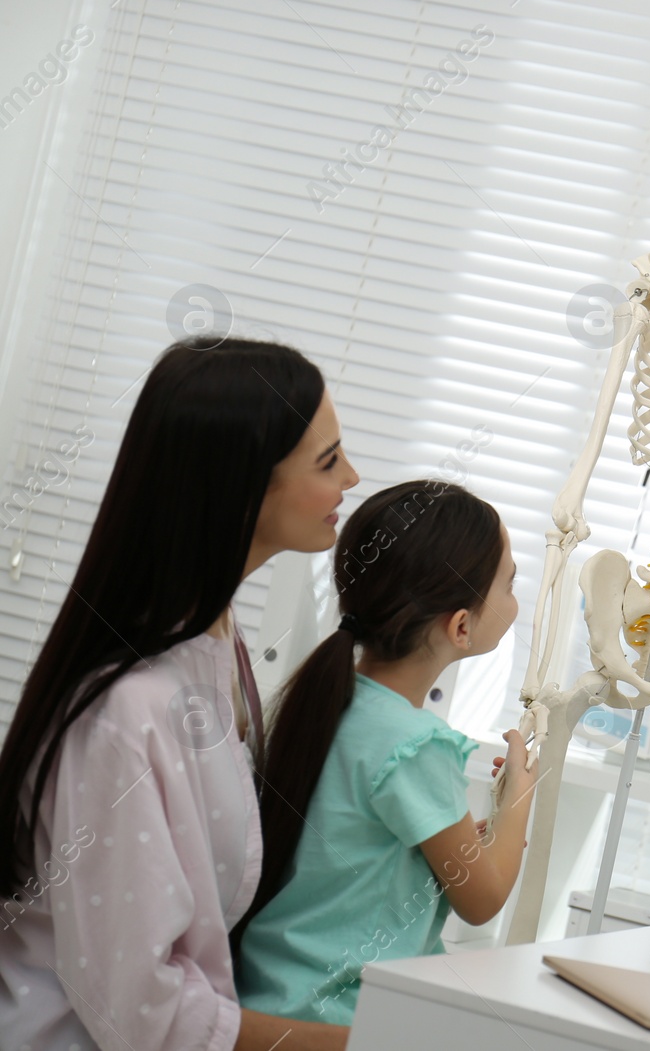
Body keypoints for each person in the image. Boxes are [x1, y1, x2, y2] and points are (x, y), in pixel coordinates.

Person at [0, 337, 358, 1050]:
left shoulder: (217, 643)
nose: (351, 476)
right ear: (244, 485)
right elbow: (144, 1011)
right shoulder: (125, 712)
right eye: (327, 461)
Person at [233, 480, 535, 1024]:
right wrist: (519, 796)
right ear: (461, 626)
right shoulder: (417, 746)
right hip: (336, 1017)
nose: (516, 601)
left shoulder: (327, 706)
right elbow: (482, 899)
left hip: (266, 994)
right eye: (509, 584)